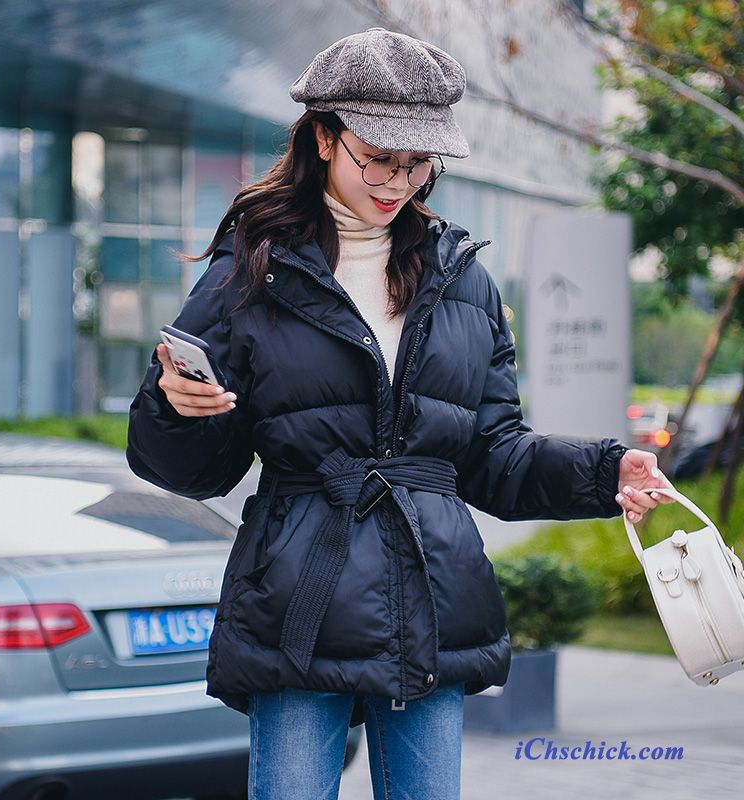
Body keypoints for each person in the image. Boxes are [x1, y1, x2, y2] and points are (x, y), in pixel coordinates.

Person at [126, 26, 673, 800]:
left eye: (417, 164)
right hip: (297, 603)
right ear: (323, 137)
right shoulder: (248, 269)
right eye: (377, 158)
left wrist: (603, 470)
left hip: (431, 597)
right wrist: (176, 407)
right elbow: (194, 468)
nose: (397, 183)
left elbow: (490, 455)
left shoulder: (461, 278)